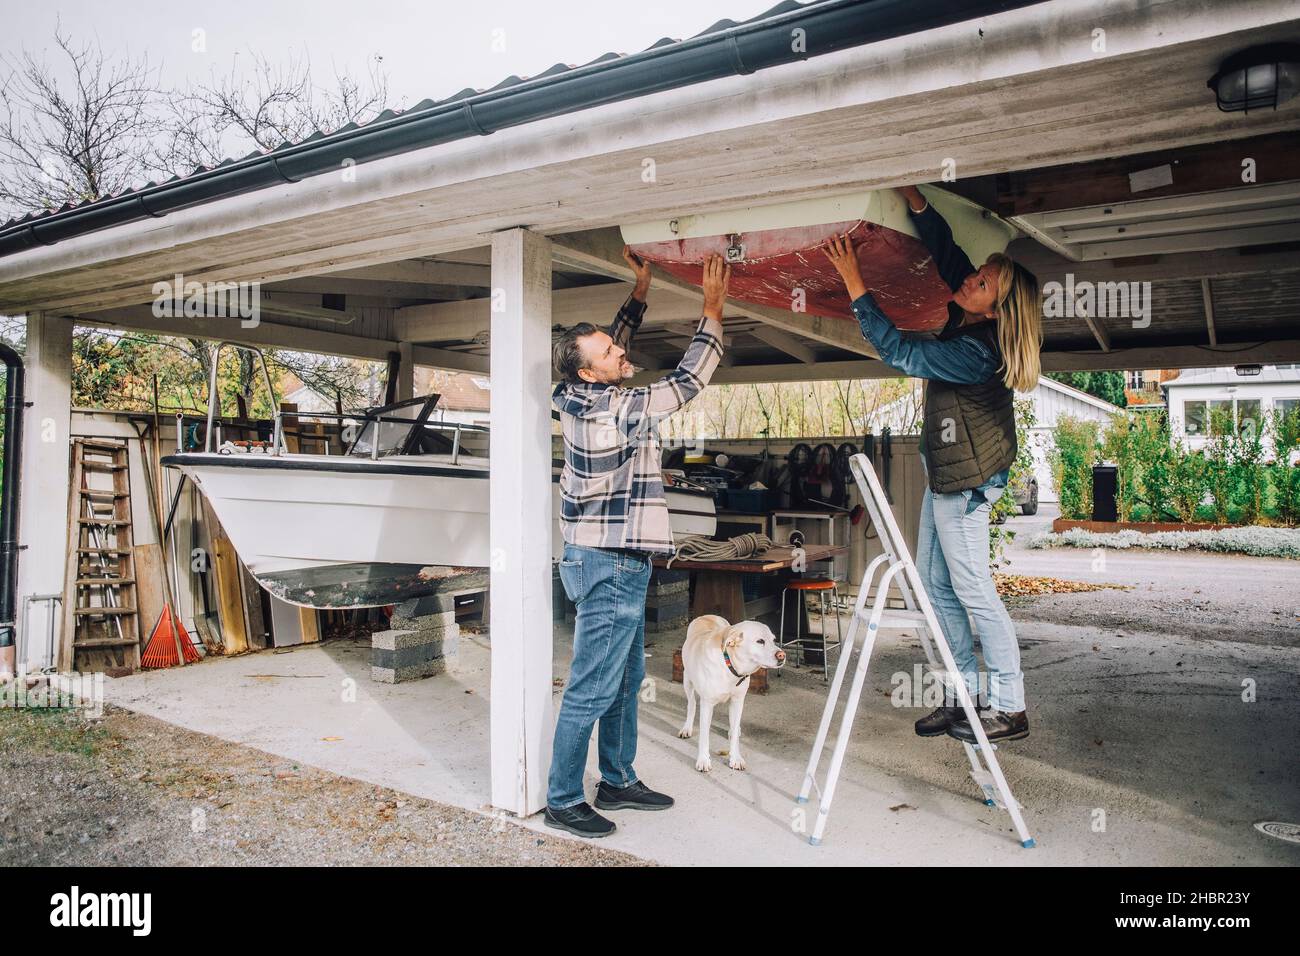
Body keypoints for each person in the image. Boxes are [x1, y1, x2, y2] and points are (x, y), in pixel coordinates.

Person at [821, 184, 1043, 743]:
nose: (972, 279)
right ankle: (961, 697)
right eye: (980, 272)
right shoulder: (974, 318)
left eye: (984, 281)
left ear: (997, 305)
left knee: (974, 593)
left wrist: (855, 282)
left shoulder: (979, 349)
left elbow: (900, 353)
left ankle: (1010, 707)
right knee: (937, 590)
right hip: (949, 476)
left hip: (965, 486)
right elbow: (949, 258)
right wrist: (915, 200)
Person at [546, 248, 730, 837]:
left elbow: (611, 352)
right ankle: (563, 797)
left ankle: (619, 778)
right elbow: (685, 382)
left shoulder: (580, 392)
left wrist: (641, 289)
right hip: (611, 564)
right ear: (587, 372)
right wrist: (712, 311)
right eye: (606, 352)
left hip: (612, 560)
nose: (620, 352)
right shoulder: (612, 411)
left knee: (625, 679)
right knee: (592, 685)